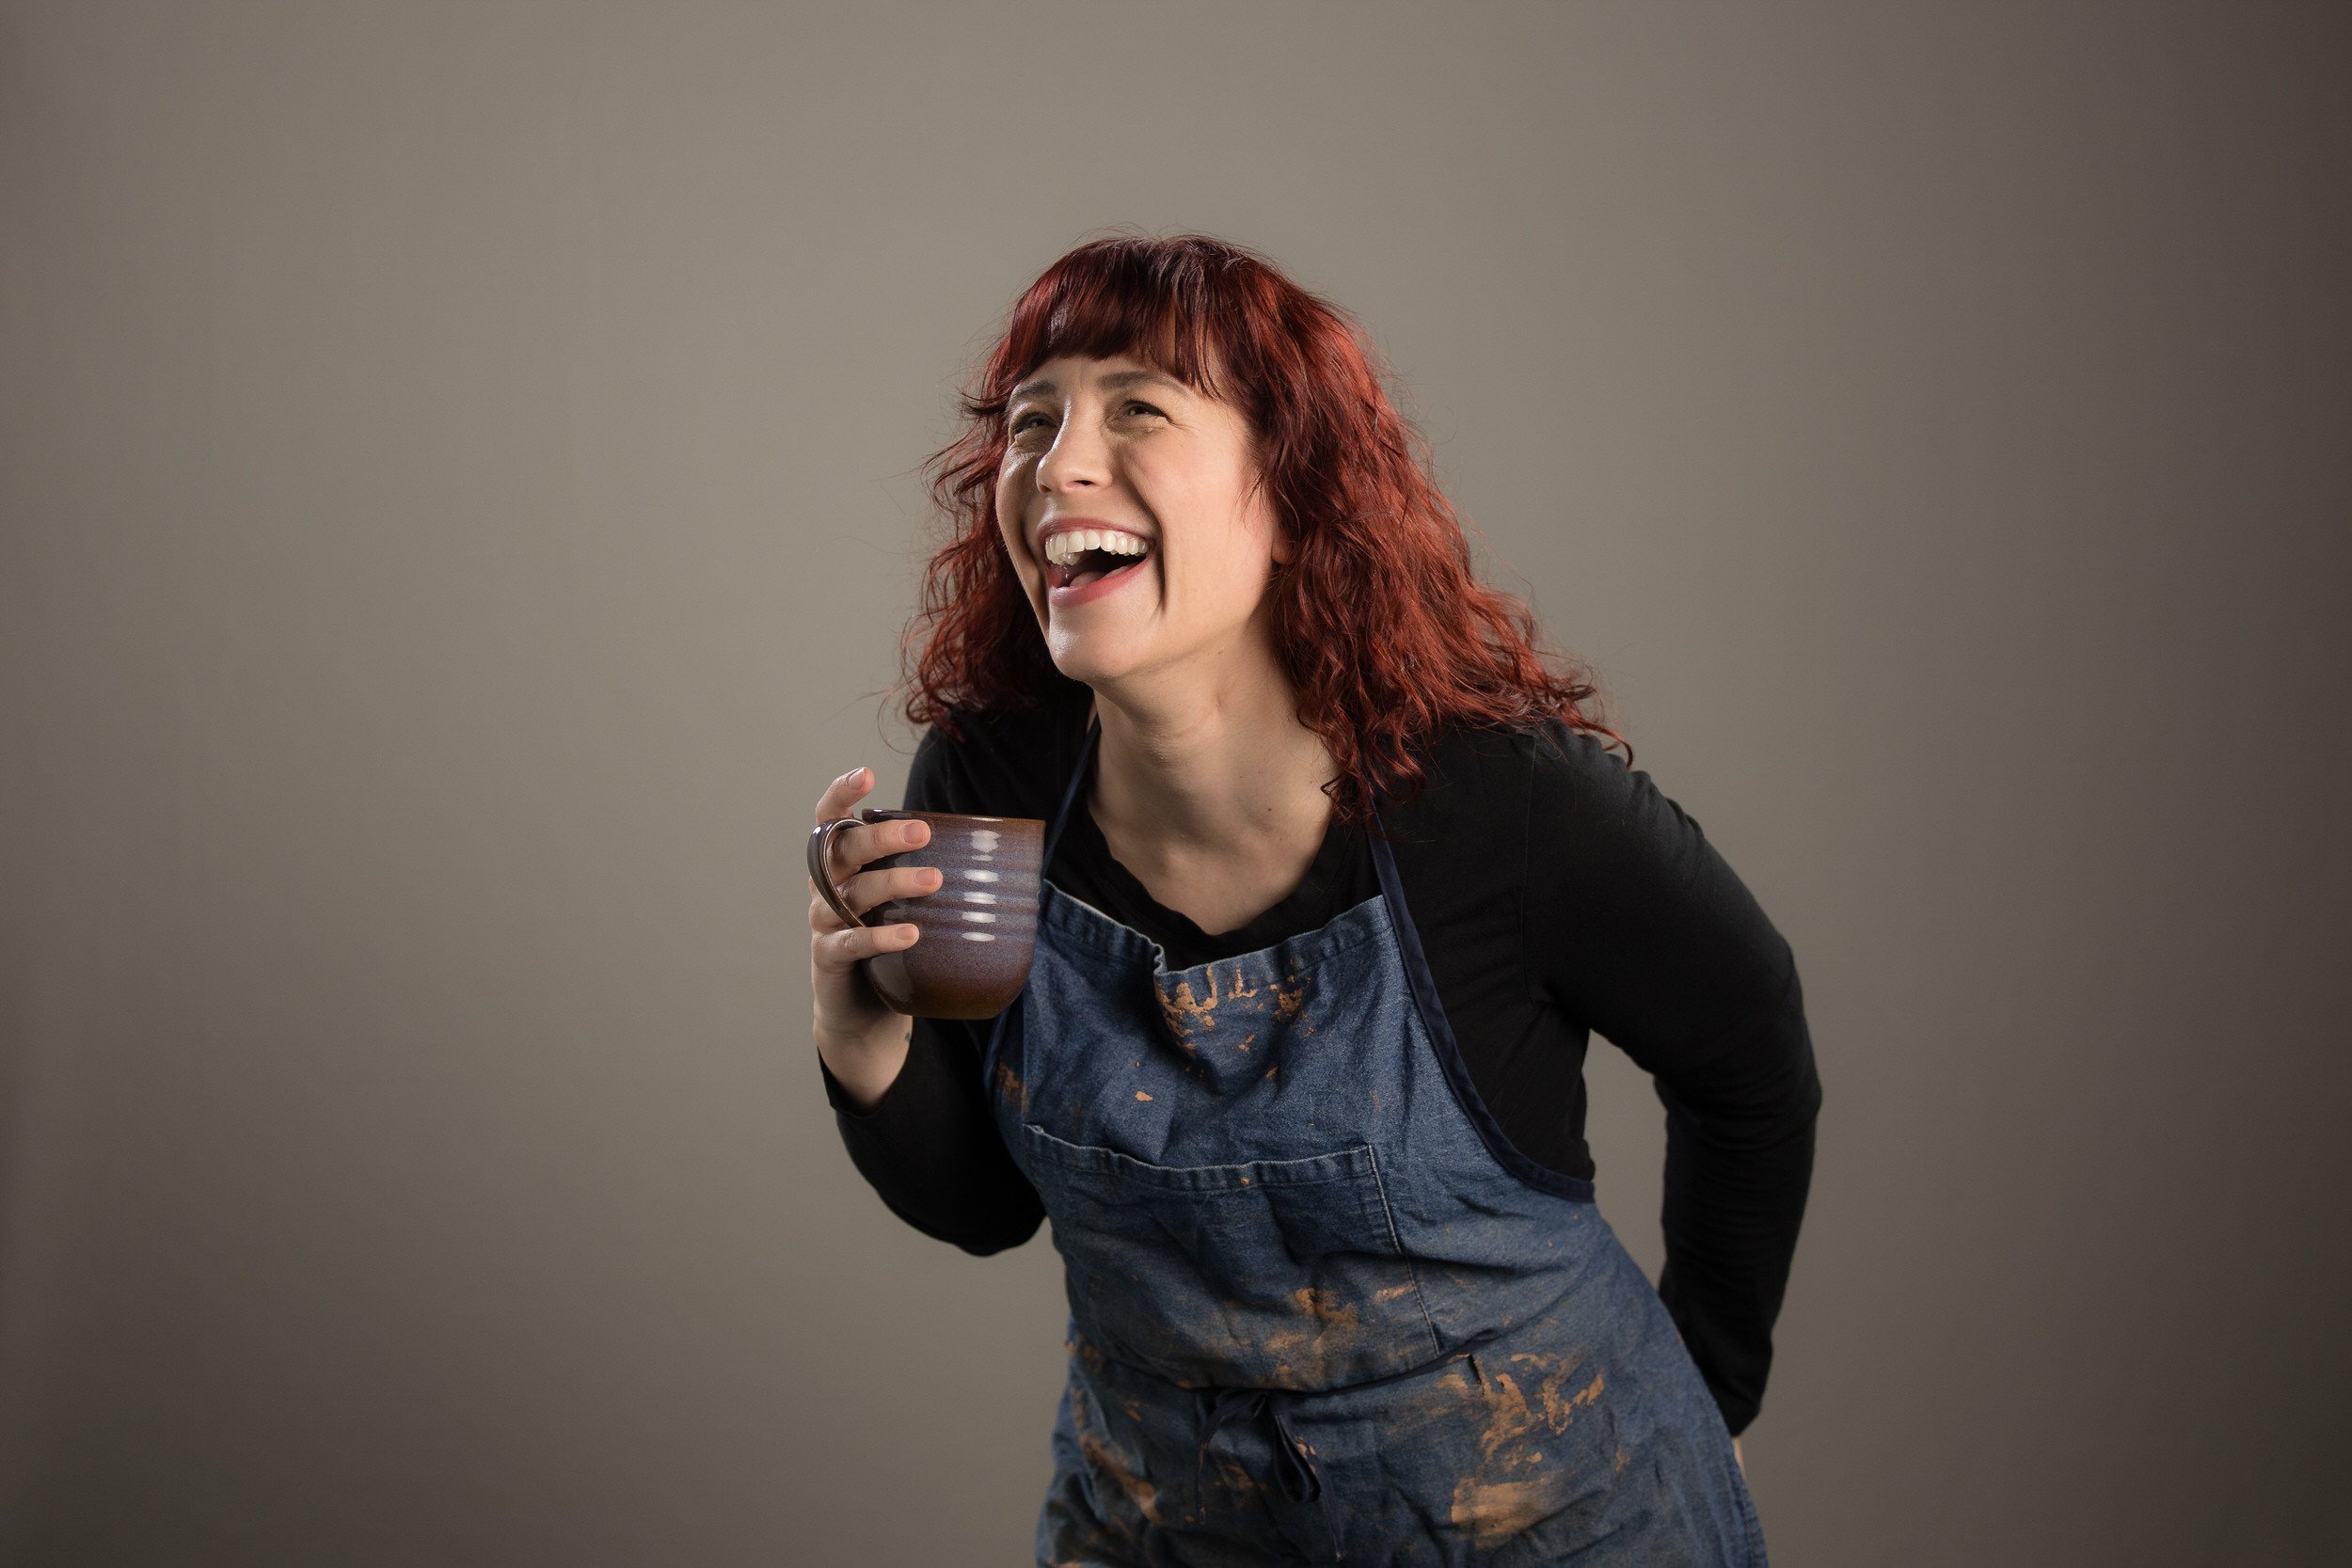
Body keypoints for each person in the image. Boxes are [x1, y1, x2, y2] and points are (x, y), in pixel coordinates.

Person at [807, 233, 1819, 1565]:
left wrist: (1714, 1391)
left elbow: (1753, 1069)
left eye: (1139, 408)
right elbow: (990, 1209)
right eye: (1029, 421)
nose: (1057, 463)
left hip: (1562, 1529)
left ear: (1291, 495)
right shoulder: (992, 778)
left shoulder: (1501, 806)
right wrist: (864, 1037)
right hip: (1162, 1531)